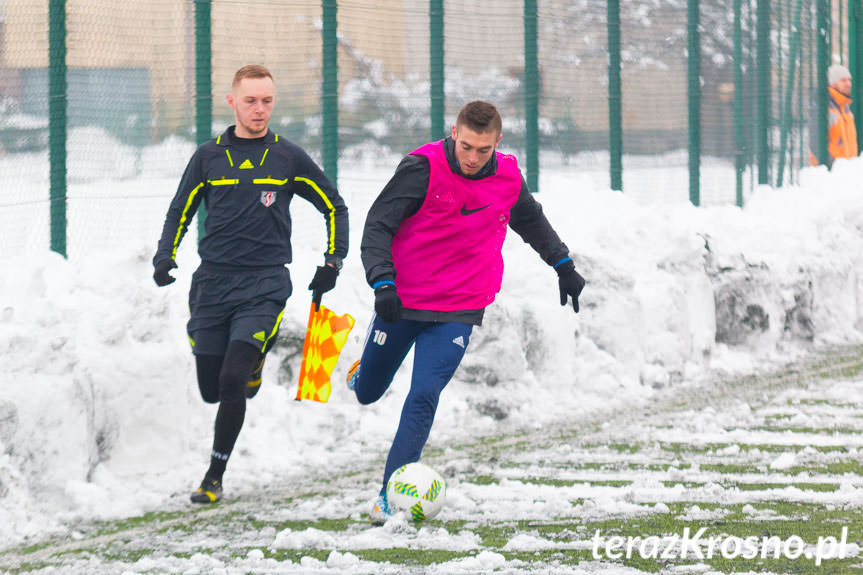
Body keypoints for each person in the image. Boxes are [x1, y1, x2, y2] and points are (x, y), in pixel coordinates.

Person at [346, 100, 585, 524]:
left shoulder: (507, 176)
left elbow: (530, 220)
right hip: (401, 301)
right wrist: (382, 281)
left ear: (497, 143)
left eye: (484, 150)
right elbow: (377, 225)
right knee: (368, 392)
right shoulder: (421, 168)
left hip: (460, 306)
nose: (473, 158)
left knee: (424, 395)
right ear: (454, 133)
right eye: (467, 147)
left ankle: (389, 497)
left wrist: (563, 265)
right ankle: (362, 372)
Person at [152, 64, 348, 503]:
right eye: (251, 101)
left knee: (232, 380)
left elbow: (334, 206)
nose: (259, 110)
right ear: (232, 102)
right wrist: (165, 254)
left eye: (267, 101)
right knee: (210, 387)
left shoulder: (287, 157)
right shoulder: (208, 156)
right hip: (213, 284)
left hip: (264, 285)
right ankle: (247, 364)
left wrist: (333, 262)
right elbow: (179, 209)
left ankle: (213, 477)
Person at [810, 64, 858, 167]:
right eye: (843, 80)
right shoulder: (822, 108)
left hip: (846, 171)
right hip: (830, 173)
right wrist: (833, 166)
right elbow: (815, 143)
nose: (848, 84)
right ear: (832, 83)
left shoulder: (846, 110)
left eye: (849, 80)